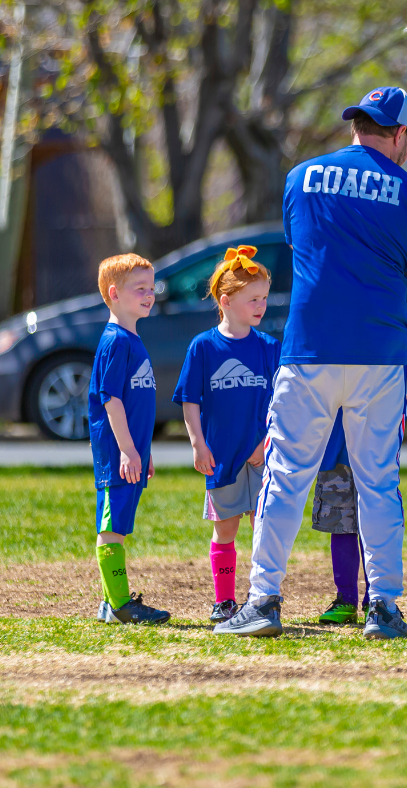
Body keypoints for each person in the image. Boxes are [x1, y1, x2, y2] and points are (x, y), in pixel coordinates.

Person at [214, 86, 407, 639]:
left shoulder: (301, 177)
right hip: (380, 358)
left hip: (309, 351)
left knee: (286, 477)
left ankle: (264, 601)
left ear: (358, 124)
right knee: (378, 482)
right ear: (402, 135)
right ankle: (383, 607)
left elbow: (307, 247)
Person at [172, 246, 281, 623]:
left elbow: (280, 404)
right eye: (253, 299)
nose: (261, 305)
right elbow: (190, 400)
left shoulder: (268, 347)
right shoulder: (203, 346)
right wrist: (198, 444)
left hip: (262, 455)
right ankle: (224, 601)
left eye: (264, 298)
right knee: (225, 530)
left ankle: (259, 598)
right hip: (221, 456)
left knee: (263, 528)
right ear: (226, 300)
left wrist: (265, 443)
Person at [90, 254, 171, 625]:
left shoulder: (131, 338)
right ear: (114, 293)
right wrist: (125, 448)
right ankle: (121, 605)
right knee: (112, 526)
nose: (149, 294)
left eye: (151, 288)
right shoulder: (115, 341)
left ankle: (111, 603)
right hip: (116, 454)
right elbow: (111, 399)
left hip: (131, 451)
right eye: (140, 288)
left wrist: (143, 450)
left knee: (119, 523)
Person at [313, 362, 407, 625]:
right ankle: (345, 599)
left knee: (372, 526)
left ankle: (376, 599)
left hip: (374, 453)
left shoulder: (384, 338)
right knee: (341, 527)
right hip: (335, 452)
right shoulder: (330, 344)